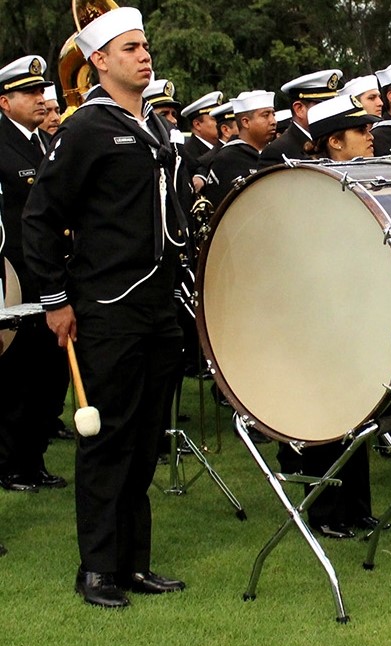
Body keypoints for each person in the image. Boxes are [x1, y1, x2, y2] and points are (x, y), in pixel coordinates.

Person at [22, 6, 188, 608]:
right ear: (98, 60)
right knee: (107, 440)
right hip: (107, 306)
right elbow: (40, 219)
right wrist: (55, 300)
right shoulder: (87, 127)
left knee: (145, 441)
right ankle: (96, 569)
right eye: (130, 48)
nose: (145, 56)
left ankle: (133, 563)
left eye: (145, 46)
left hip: (159, 306)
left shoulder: (156, 126)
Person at [293, 94, 381, 537]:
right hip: (319, 313)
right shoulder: (312, 186)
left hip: (356, 308)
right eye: (360, 131)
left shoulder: (362, 179)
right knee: (326, 414)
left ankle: (358, 505)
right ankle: (326, 511)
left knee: (357, 409)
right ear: (334, 142)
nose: (370, 136)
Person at [0, 55, 69, 492]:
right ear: (4, 102)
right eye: (29, 93)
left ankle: (34, 458)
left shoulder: (46, 142)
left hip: (50, 275)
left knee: (49, 375)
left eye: (41, 91)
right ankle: (10, 464)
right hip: (16, 276)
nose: (41, 99)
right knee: (17, 377)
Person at [200, 91, 276, 207]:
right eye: (265, 115)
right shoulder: (227, 159)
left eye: (273, 115)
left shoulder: (277, 152)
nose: (273, 121)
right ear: (245, 122)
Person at [258, 69, 341, 167]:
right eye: (324, 106)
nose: (332, 111)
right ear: (299, 109)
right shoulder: (277, 152)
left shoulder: (334, 140)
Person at [180, 90, 223, 160]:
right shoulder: (188, 155)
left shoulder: (221, 148)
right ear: (197, 125)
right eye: (215, 119)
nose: (221, 123)